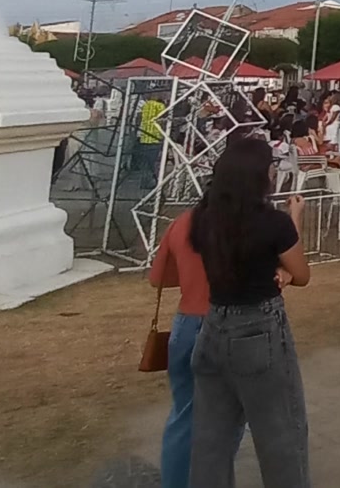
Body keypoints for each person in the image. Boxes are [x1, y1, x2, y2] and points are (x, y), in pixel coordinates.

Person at [187, 138, 312, 488]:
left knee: (211, 438)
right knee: (281, 434)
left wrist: (282, 270)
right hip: (259, 329)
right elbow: (300, 274)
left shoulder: (204, 217)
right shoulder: (273, 223)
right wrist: (295, 220)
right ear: (259, 175)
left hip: (213, 326)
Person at [146, 203, 212, 488]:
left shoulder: (182, 222)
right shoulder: (243, 221)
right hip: (223, 323)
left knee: (183, 414)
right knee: (231, 416)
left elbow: (157, 278)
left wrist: (190, 270)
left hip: (185, 324)